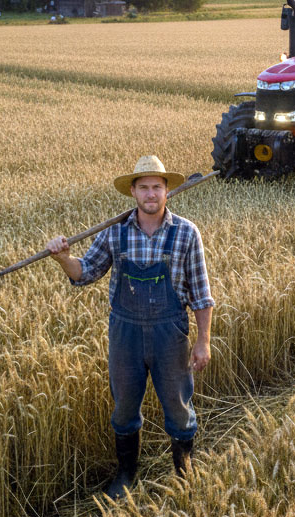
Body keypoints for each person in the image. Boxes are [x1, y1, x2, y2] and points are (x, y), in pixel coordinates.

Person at [45, 155, 215, 499]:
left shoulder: (186, 233)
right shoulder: (115, 233)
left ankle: (184, 473)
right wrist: (63, 258)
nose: (150, 194)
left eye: (157, 187)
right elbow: (86, 272)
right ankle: (125, 475)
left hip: (171, 335)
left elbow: (201, 294)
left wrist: (203, 342)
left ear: (167, 191)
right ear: (133, 193)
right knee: (123, 409)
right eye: (143, 187)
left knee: (179, 409)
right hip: (125, 335)